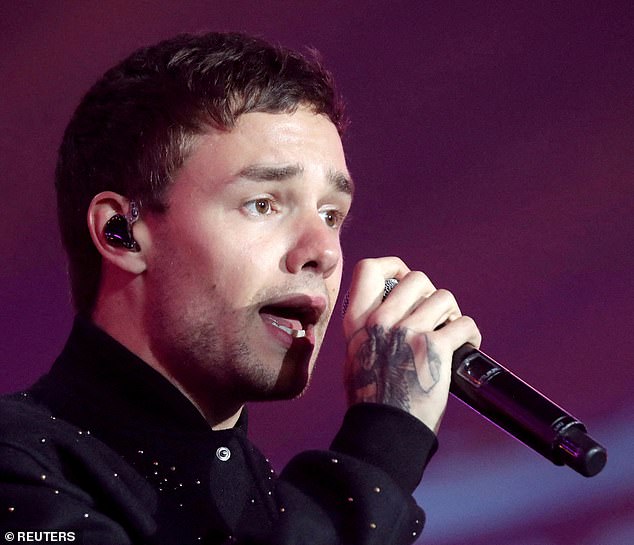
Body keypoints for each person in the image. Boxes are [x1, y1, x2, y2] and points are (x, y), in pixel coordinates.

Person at [0, 32, 481, 544]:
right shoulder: (20, 466)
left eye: (331, 214)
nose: (324, 250)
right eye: (264, 204)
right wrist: (385, 439)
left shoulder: (270, 507)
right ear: (122, 233)